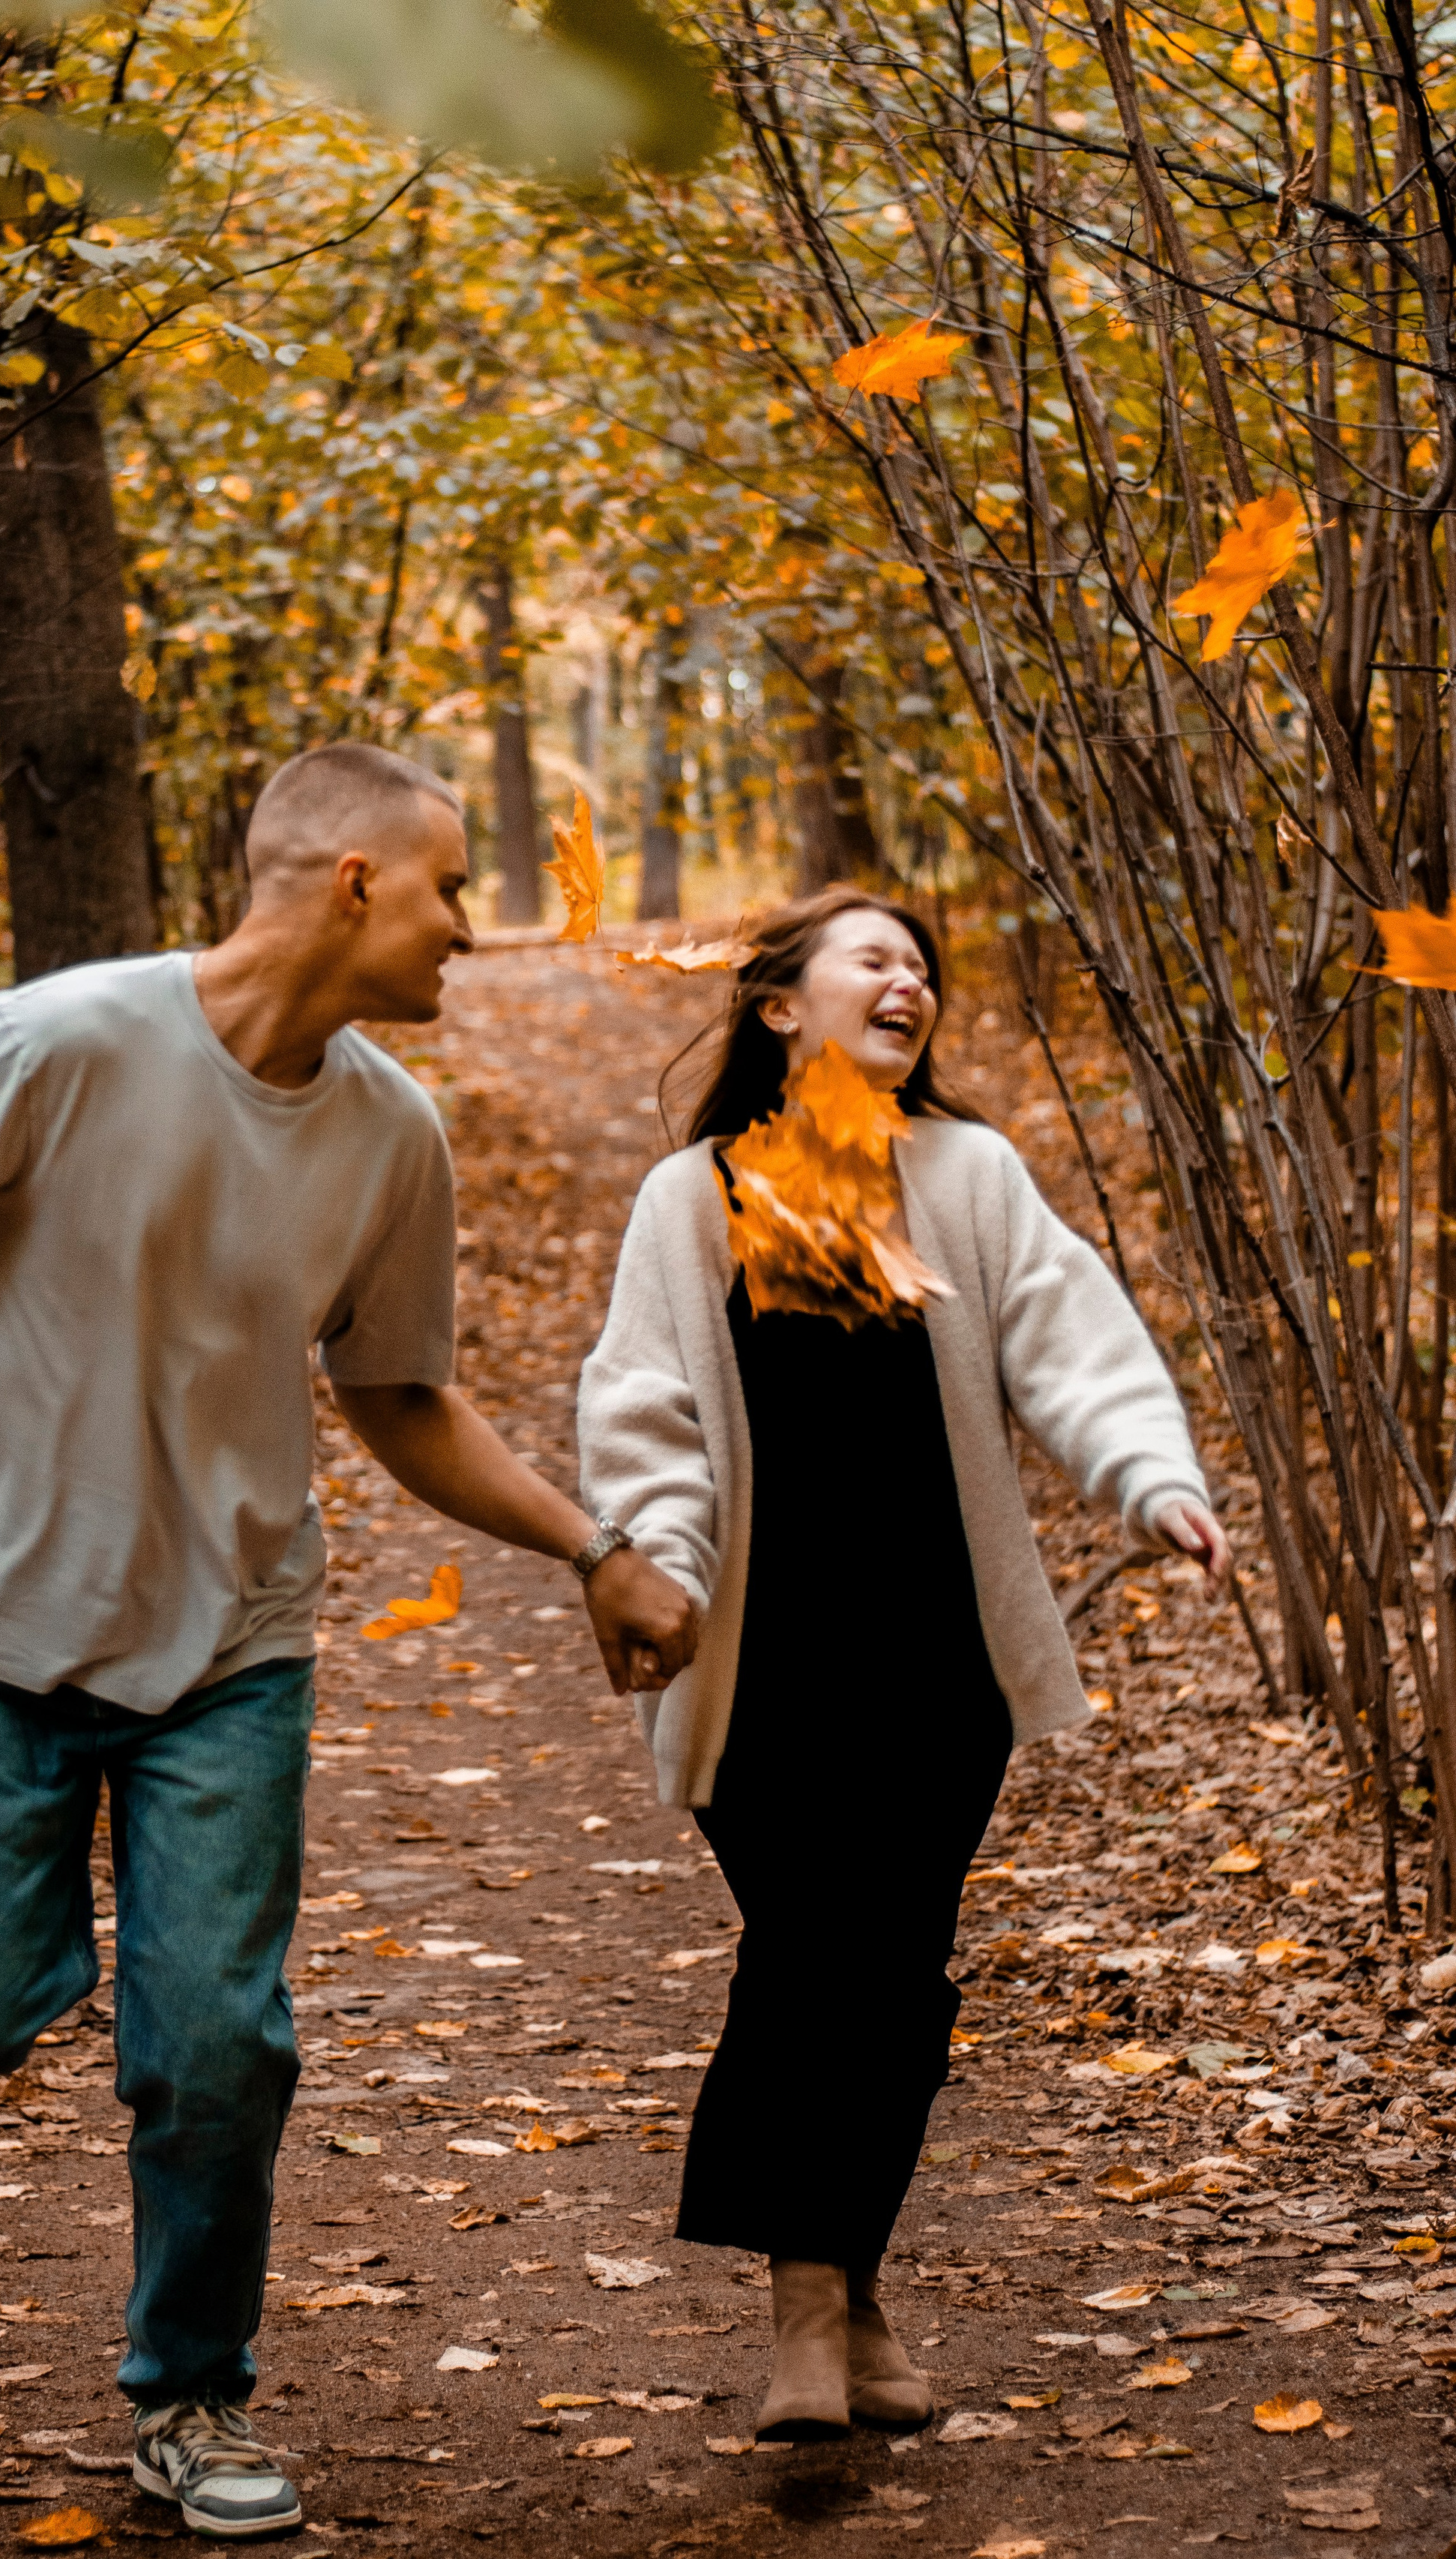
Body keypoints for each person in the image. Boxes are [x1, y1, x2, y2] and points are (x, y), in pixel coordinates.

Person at [0, 741, 698, 2540]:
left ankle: (187, 2395)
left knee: (217, 2049)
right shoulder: (60, 1042)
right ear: (349, 882)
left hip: (230, 1657)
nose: (467, 934)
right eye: (443, 892)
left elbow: (400, 1395)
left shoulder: (389, 1135)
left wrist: (592, 1547)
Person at [577, 886, 1225, 2443]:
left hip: (937, 1663)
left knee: (890, 1969)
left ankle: (843, 2291)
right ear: (783, 1005)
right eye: (871, 957)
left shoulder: (967, 1174)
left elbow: (1071, 1343)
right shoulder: (690, 1198)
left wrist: (1148, 1474)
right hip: (762, 1656)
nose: (906, 979)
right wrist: (651, 1556)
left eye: (921, 964)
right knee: (815, 1951)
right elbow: (643, 1407)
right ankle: (812, 2307)